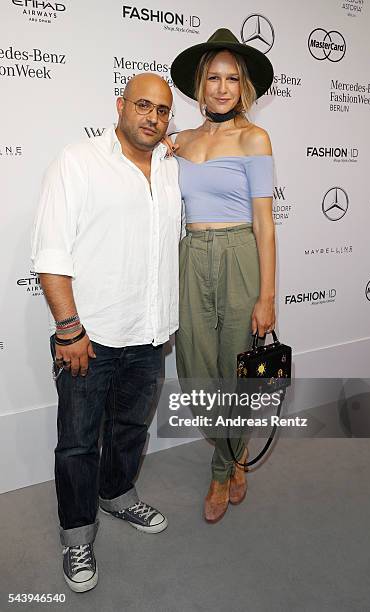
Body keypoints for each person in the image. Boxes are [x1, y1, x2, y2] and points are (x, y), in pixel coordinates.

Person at [31, 73, 181, 592]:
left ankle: (117, 496)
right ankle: (77, 537)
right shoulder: (78, 161)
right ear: (120, 106)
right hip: (88, 339)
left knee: (131, 430)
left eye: (162, 111)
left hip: (148, 335)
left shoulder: (170, 169)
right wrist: (69, 330)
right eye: (143, 105)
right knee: (76, 444)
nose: (153, 118)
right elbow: (51, 251)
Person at [170, 29, 276, 523]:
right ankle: (234, 448)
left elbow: (264, 222)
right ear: (199, 83)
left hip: (238, 253)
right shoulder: (180, 142)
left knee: (237, 366)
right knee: (195, 368)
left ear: (244, 86)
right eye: (213, 77)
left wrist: (267, 295)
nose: (221, 86)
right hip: (192, 256)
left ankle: (221, 470)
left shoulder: (254, 137)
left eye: (232, 78)